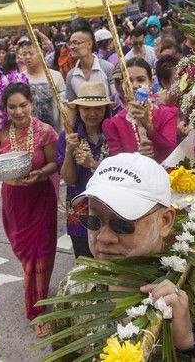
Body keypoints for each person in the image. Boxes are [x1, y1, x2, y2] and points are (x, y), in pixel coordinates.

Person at [51, 153, 195, 360]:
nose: (104, 237)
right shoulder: (74, 287)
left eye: (123, 224)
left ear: (165, 221)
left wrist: (191, 343)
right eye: (93, 220)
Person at [0, 82, 58, 337]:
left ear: (32, 104)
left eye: (23, 105)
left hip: (40, 197)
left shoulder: (45, 131)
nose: (18, 111)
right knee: (26, 255)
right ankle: (36, 288)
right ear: (5, 108)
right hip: (14, 200)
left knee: (41, 253)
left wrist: (39, 174)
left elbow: (52, 164)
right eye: (12, 107)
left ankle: (37, 312)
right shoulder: (2, 131)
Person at [57, 82, 114, 258]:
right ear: (79, 110)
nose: (92, 113)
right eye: (86, 108)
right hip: (80, 212)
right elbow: (69, 180)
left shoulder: (114, 133)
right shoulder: (68, 136)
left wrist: (93, 164)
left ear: (105, 109)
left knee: (110, 260)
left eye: (98, 108)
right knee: (84, 262)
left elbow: (121, 171)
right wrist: (68, 152)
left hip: (110, 209)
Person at [103, 57, 178, 163]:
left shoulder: (167, 113)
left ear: (151, 82)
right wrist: (137, 157)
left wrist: (150, 128)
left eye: (141, 80)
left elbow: (172, 153)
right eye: (129, 80)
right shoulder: (114, 124)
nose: (134, 85)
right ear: (122, 84)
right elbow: (117, 164)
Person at [18, 39, 66, 132]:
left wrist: (64, 130)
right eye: (24, 54)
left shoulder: (55, 76)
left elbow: (64, 105)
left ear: (40, 53)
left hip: (54, 131)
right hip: (30, 133)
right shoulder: (19, 79)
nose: (27, 57)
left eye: (31, 53)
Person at [65, 20, 115, 102]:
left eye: (75, 43)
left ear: (89, 44)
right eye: (70, 43)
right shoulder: (71, 75)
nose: (71, 47)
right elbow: (72, 106)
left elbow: (116, 99)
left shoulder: (107, 68)